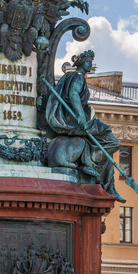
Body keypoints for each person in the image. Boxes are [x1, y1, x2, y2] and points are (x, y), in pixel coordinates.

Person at [45, 49, 122, 199]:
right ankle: (92, 164)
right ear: (81, 62)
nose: (90, 64)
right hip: (77, 120)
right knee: (112, 140)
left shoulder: (71, 76)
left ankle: (97, 171)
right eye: (88, 61)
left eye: (91, 62)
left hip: (75, 118)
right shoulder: (78, 76)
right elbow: (74, 94)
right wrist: (81, 116)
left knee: (103, 139)